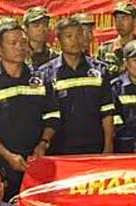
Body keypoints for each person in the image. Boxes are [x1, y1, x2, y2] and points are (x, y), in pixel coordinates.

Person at [0, 18, 54, 198]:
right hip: (0, 166)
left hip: (37, 163)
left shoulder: (40, 79)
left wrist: (43, 144)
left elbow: (52, 115)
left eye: (23, 42)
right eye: (13, 43)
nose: (19, 47)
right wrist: (7, 155)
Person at [38, 16, 115, 155]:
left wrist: (108, 145)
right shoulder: (46, 73)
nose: (75, 40)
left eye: (79, 35)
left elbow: (107, 111)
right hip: (59, 149)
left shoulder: (99, 70)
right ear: (58, 41)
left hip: (94, 147)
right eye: (69, 36)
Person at [96, 1, 136, 76]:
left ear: (135, 21)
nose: (119, 23)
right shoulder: (105, 50)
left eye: (124, 18)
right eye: (117, 19)